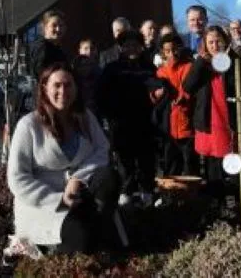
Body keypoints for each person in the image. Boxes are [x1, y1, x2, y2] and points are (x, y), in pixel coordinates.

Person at [7, 63, 120, 254]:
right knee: (80, 238)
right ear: (44, 88)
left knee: (110, 176)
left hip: (81, 197)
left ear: (76, 88)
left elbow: (102, 150)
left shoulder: (85, 117)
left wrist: (78, 178)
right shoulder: (28, 126)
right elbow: (17, 179)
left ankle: (97, 230)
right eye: (57, 85)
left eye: (68, 85)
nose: (63, 91)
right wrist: (60, 199)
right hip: (45, 206)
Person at [183, 25, 241, 201]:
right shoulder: (200, 64)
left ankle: (236, 200)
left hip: (229, 119)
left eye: (218, 41)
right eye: (210, 42)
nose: (215, 45)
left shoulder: (236, 62)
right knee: (212, 164)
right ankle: (217, 201)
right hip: (209, 120)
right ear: (205, 44)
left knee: (232, 162)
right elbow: (188, 87)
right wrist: (201, 62)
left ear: (226, 41)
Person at [96, 30, 163, 206]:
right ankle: (126, 193)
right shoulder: (112, 69)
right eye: (127, 45)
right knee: (124, 162)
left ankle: (147, 194)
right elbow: (101, 95)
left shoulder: (149, 67)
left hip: (145, 122)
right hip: (121, 123)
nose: (131, 48)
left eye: (135, 45)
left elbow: (158, 89)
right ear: (120, 47)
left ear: (141, 47)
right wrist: (109, 116)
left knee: (146, 159)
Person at [154, 33, 197, 176]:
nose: (172, 53)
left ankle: (192, 194)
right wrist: (155, 95)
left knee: (190, 162)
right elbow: (155, 94)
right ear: (162, 53)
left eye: (174, 49)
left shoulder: (188, 66)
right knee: (171, 163)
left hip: (187, 122)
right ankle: (171, 196)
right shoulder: (161, 72)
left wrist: (183, 97)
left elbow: (189, 88)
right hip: (168, 126)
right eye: (167, 51)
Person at [28, 10, 69, 80]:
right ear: (45, 27)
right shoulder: (42, 47)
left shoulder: (57, 48)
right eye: (54, 25)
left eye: (61, 25)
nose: (58, 29)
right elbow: (40, 74)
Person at [72, 39, 101, 115]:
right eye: (85, 48)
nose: (89, 52)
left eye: (92, 49)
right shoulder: (73, 70)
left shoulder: (100, 71)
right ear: (80, 50)